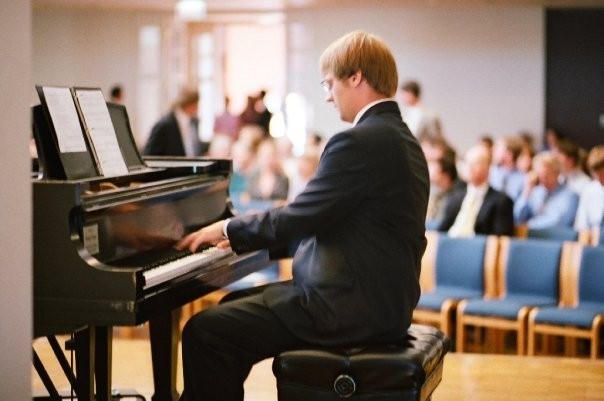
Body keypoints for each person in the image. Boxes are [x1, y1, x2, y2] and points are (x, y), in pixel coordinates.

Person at [175, 30, 430, 401]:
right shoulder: (402, 140)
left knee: (206, 331)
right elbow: (327, 224)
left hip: (346, 307)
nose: (327, 95)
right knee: (230, 309)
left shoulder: (359, 141)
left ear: (355, 76)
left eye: (329, 83)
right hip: (376, 302)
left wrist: (229, 228)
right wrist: (239, 243)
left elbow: (300, 216)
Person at [437, 145, 514, 237]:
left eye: (475, 163)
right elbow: (442, 230)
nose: (469, 167)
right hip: (450, 246)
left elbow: (501, 239)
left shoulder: (502, 201)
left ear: (488, 167)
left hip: (478, 249)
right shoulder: (455, 197)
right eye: (466, 162)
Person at [514, 151, 579, 229]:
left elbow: (558, 222)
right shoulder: (535, 193)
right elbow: (517, 217)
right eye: (539, 174)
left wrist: (528, 225)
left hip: (554, 239)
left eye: (546, 174)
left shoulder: (570, 196)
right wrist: (527, 191)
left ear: (557, 173)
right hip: (530, 238)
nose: (543, 178)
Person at [142, 86, 208, 157]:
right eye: (196, 104)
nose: (198, 107)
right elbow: (149, 155)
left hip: (193, 167)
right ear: (189, 103)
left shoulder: (194, 122)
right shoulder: (164, 125)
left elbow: (193, 148)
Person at [574, 145, 604, 232]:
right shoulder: (589, 189)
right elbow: (581, 224)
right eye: (596, 175)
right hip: (590, 239)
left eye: (603, 175)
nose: (600, 180)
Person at [488, 135, 526, 202]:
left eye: (498, 149)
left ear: (509, 155)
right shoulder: (489, 172)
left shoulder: (523, 179)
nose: (493, 151)